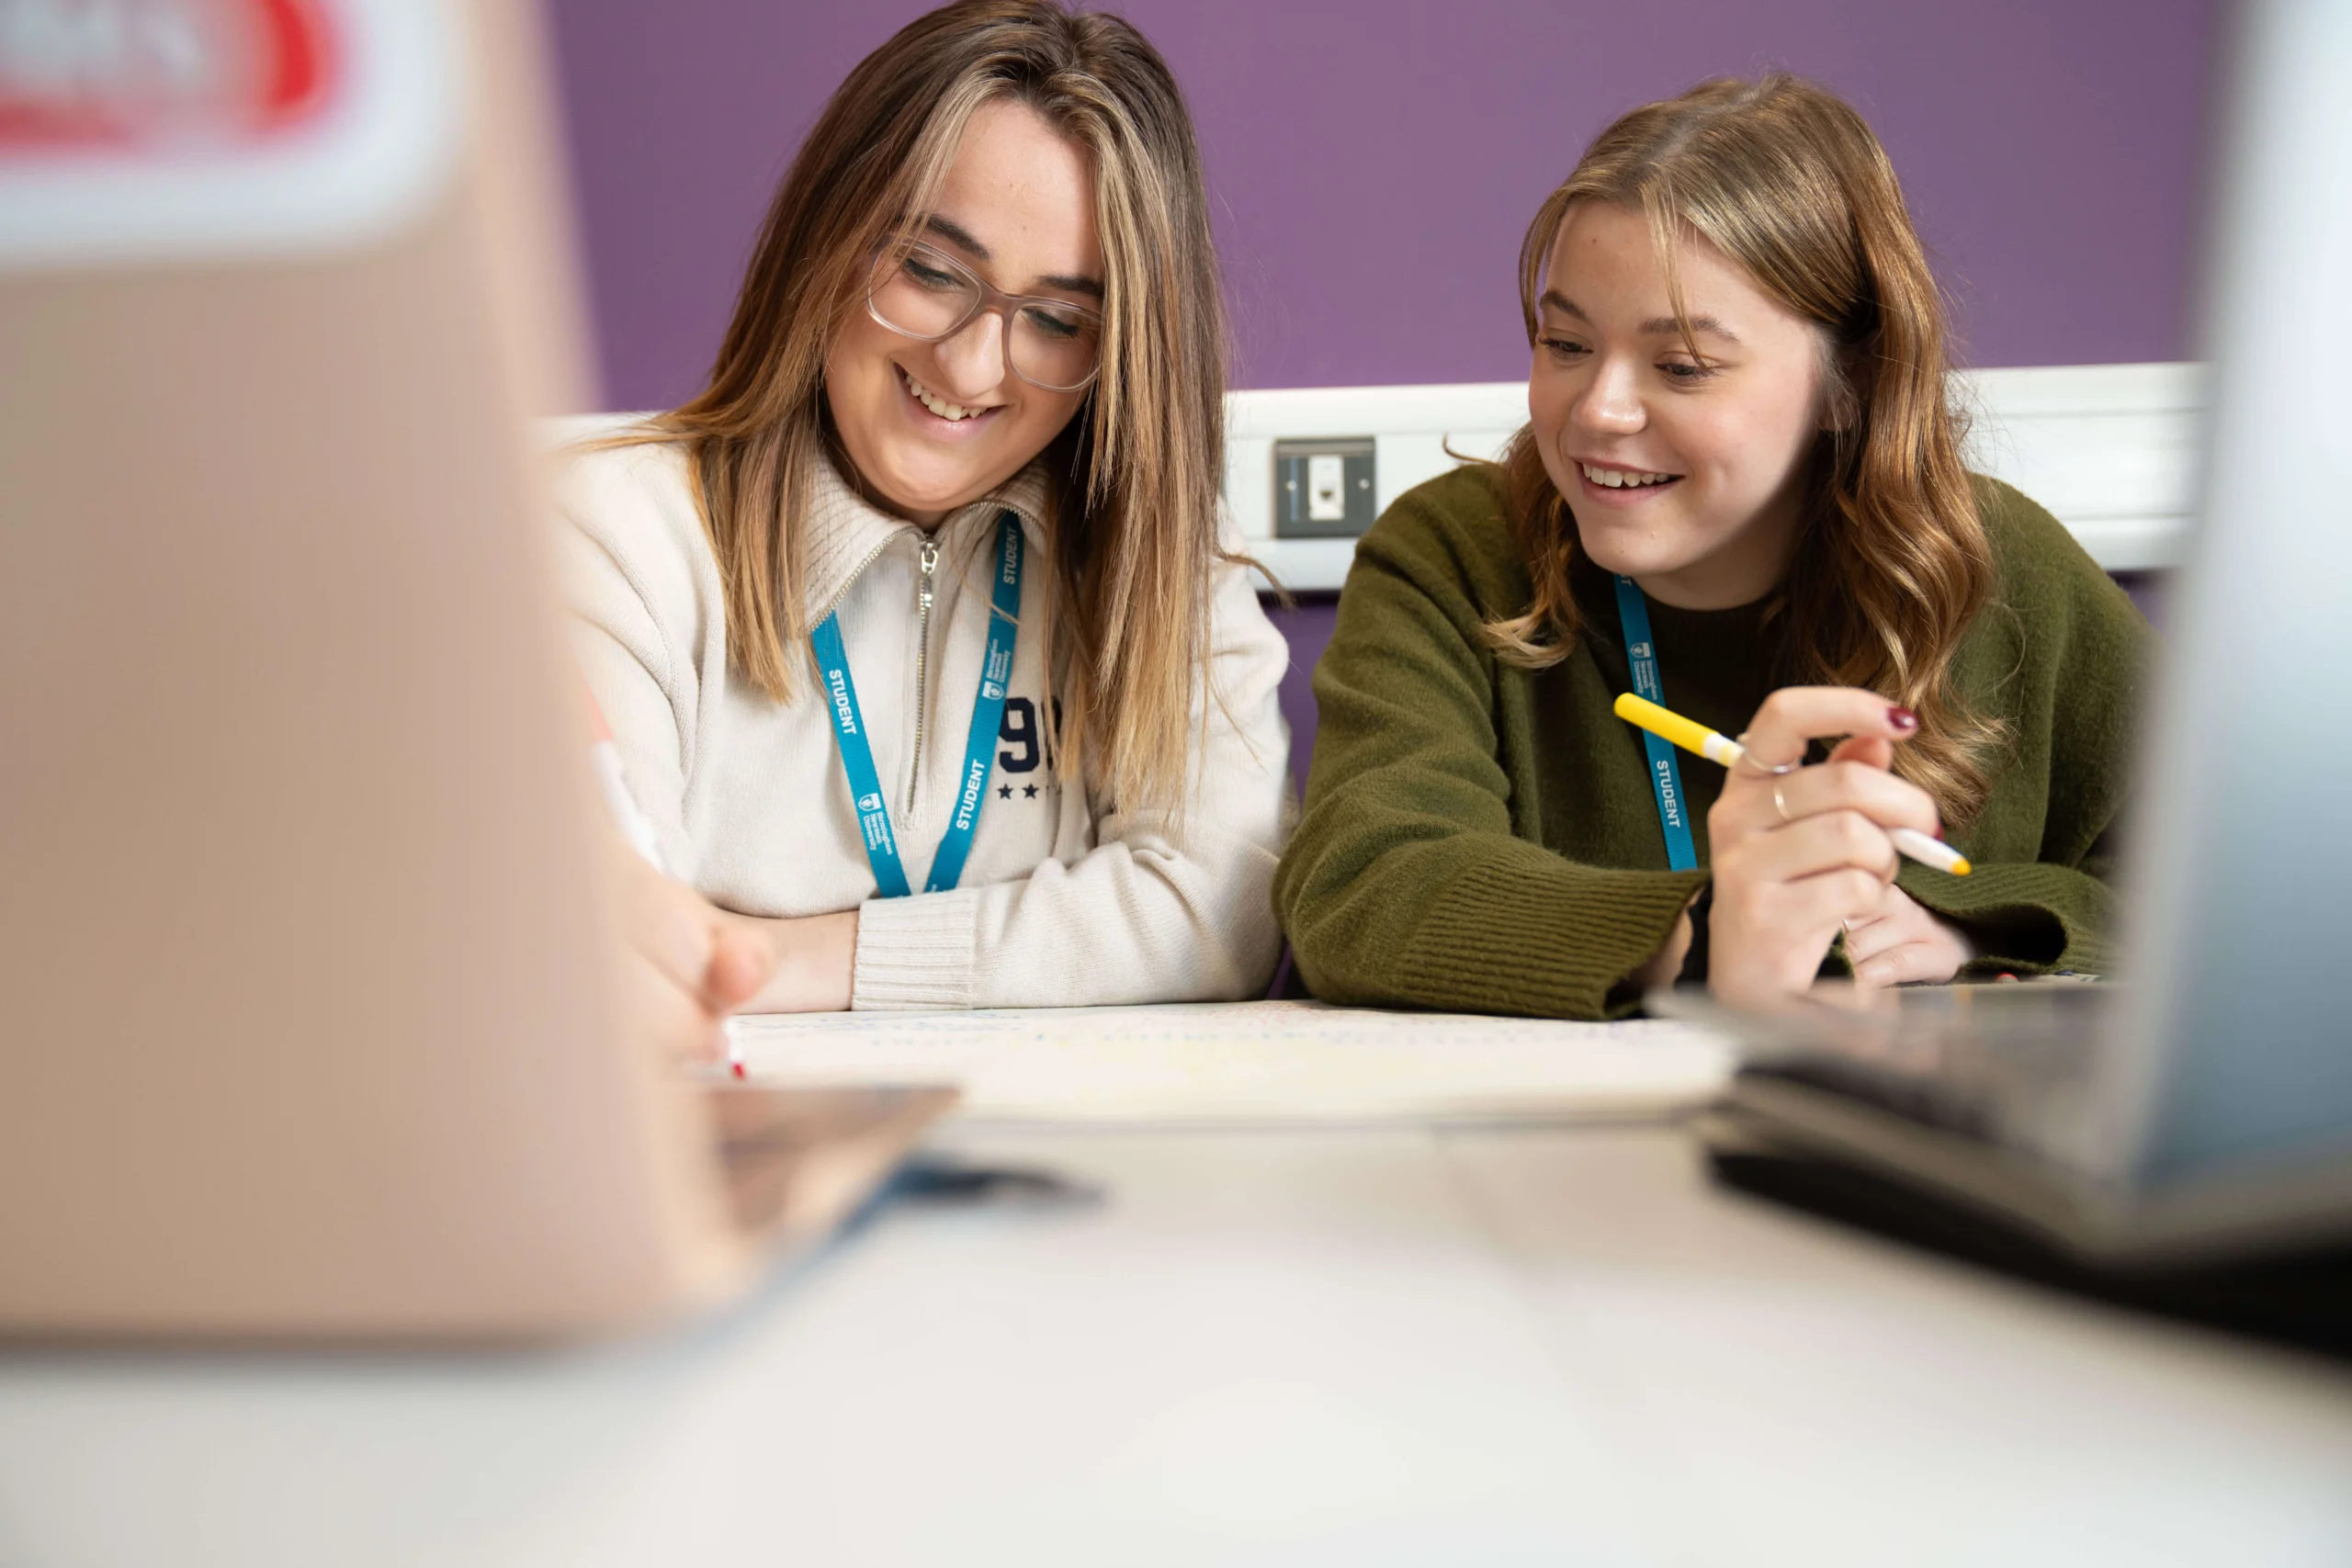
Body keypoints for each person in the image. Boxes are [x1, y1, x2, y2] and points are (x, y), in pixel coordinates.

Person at [1274, 74, 2151, 1020]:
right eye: (1564, 343)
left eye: (1683, 365)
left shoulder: (2007, 572)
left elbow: (2252, 889)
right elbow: (1363, 886)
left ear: (1849, 381)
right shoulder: (1454, 554)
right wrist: (1703, 931)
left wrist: (1970, 928)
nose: (1598, 411)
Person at [560, 0, 1292, 1024]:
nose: (969, 365)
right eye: (931, 270)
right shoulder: (611, 533)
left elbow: (1220, 907)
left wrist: (788, 960)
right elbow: (620, 938)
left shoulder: (1168, 555)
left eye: (1056, 320)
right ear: (830, 237)